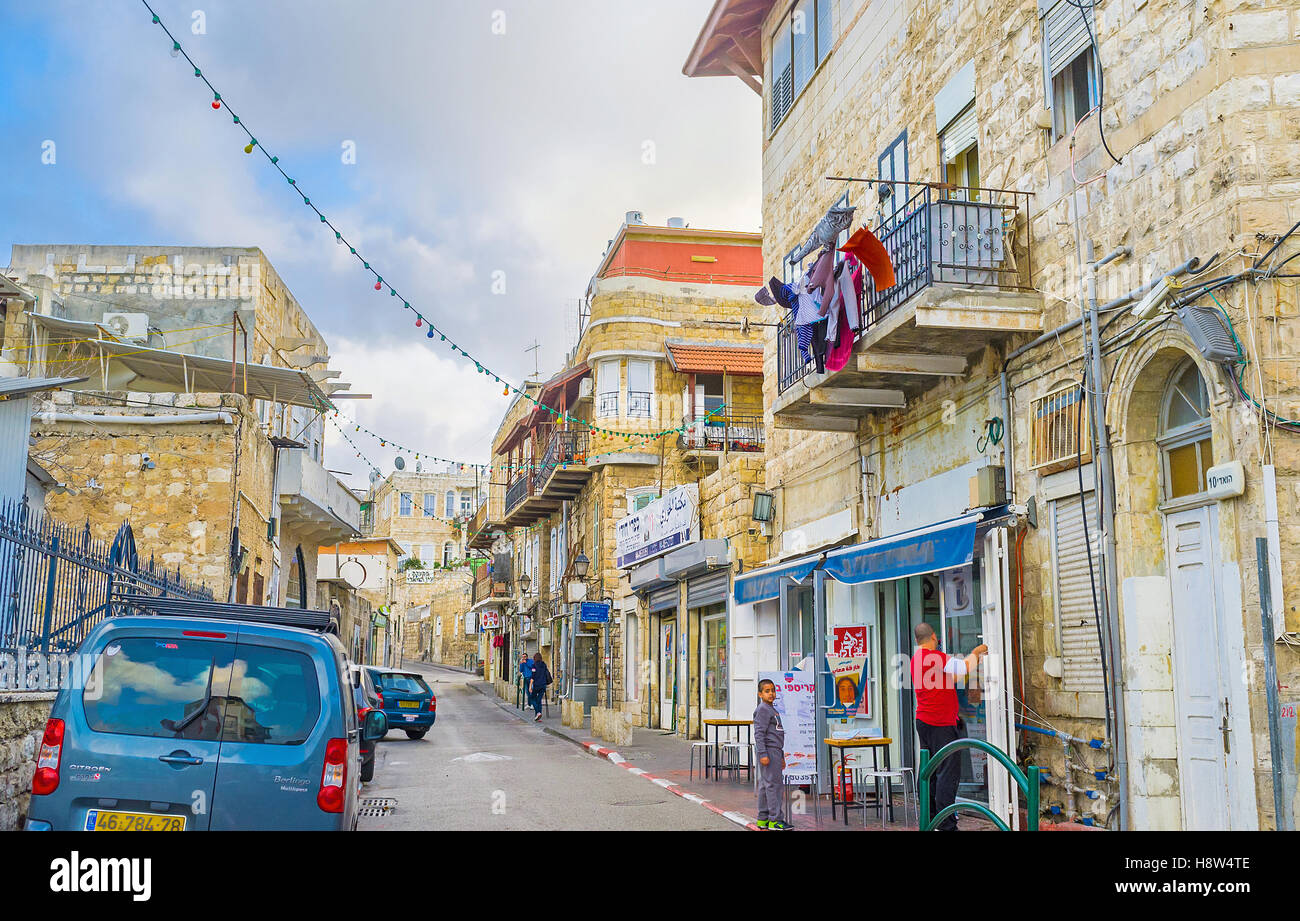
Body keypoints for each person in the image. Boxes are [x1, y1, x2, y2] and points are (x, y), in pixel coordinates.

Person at [911, 622, 987, 831]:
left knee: (930, 770)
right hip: (940, 723)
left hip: (925, 721)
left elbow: (953, 676)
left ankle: (931, 818)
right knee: (947, 773)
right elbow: (962, 668)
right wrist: (976, 652)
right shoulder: (934, 657)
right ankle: (946, 825)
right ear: (934, 637)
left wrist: (971, 662)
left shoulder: (917, 659)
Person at [753, 678, 791, 830]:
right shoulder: (762, 709)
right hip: (768, 751)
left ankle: (763, 819)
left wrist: (781, 756)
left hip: (775, 752)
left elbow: (776, 734)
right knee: (774, 786)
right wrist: (763, 753)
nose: (771, 694)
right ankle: (775, 820)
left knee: (766, 784)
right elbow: (759, 734)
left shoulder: (772, 710)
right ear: (760, 694)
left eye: (773, 690)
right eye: (767, 691)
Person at [528, 652, 551, 722]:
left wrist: (530, 686)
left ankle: (538, 712)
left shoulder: (534, 666)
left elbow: (533, 676)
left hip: (537, 685)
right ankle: (538, 716)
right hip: (543, 685)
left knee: (532, 698)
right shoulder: (544, 665)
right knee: (539, 700)